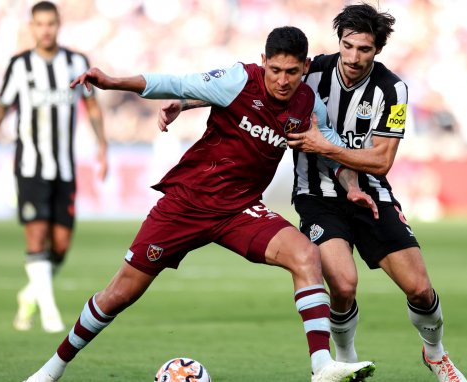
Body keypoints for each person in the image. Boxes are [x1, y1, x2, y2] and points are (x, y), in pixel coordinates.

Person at [23, 26, 377, 382]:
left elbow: (331, 148)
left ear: (305, 68)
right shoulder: (238, 80)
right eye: (275, 70)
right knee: (119, 294)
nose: (283, 81)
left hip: (240, 210)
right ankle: (52, 369)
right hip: (187, 203)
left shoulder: (307, 106)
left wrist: (351, 186)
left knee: (306, 255)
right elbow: (176, 83)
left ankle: (321, 366)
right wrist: (112, 81)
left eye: (292, 72)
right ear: (263, 61)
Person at [285, 4, 467, 382]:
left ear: (377, 50)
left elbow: (381, 161)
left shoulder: (393, 90)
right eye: (347, 46)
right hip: (316, 197)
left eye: (363, 49)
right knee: (343, 283)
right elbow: (252, 84)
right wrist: (187, 100)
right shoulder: (310, 71)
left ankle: (435, 354)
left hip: (371, 192)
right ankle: (346, 359)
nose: (352, 57)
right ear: (339, 41)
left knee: (419, 289)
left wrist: (324, 146)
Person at [0, 1, 108, 333]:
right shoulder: (19, 66)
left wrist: (102, 146)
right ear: (32, 27)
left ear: (58, 25)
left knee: (60, 245)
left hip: (64, 168)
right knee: (35, 237)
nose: (45, 29)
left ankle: (31, 293)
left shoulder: (76, 62)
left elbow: (91, 106)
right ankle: (49, 314)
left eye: (50, 23)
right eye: (39, 24)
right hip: (30, 167)